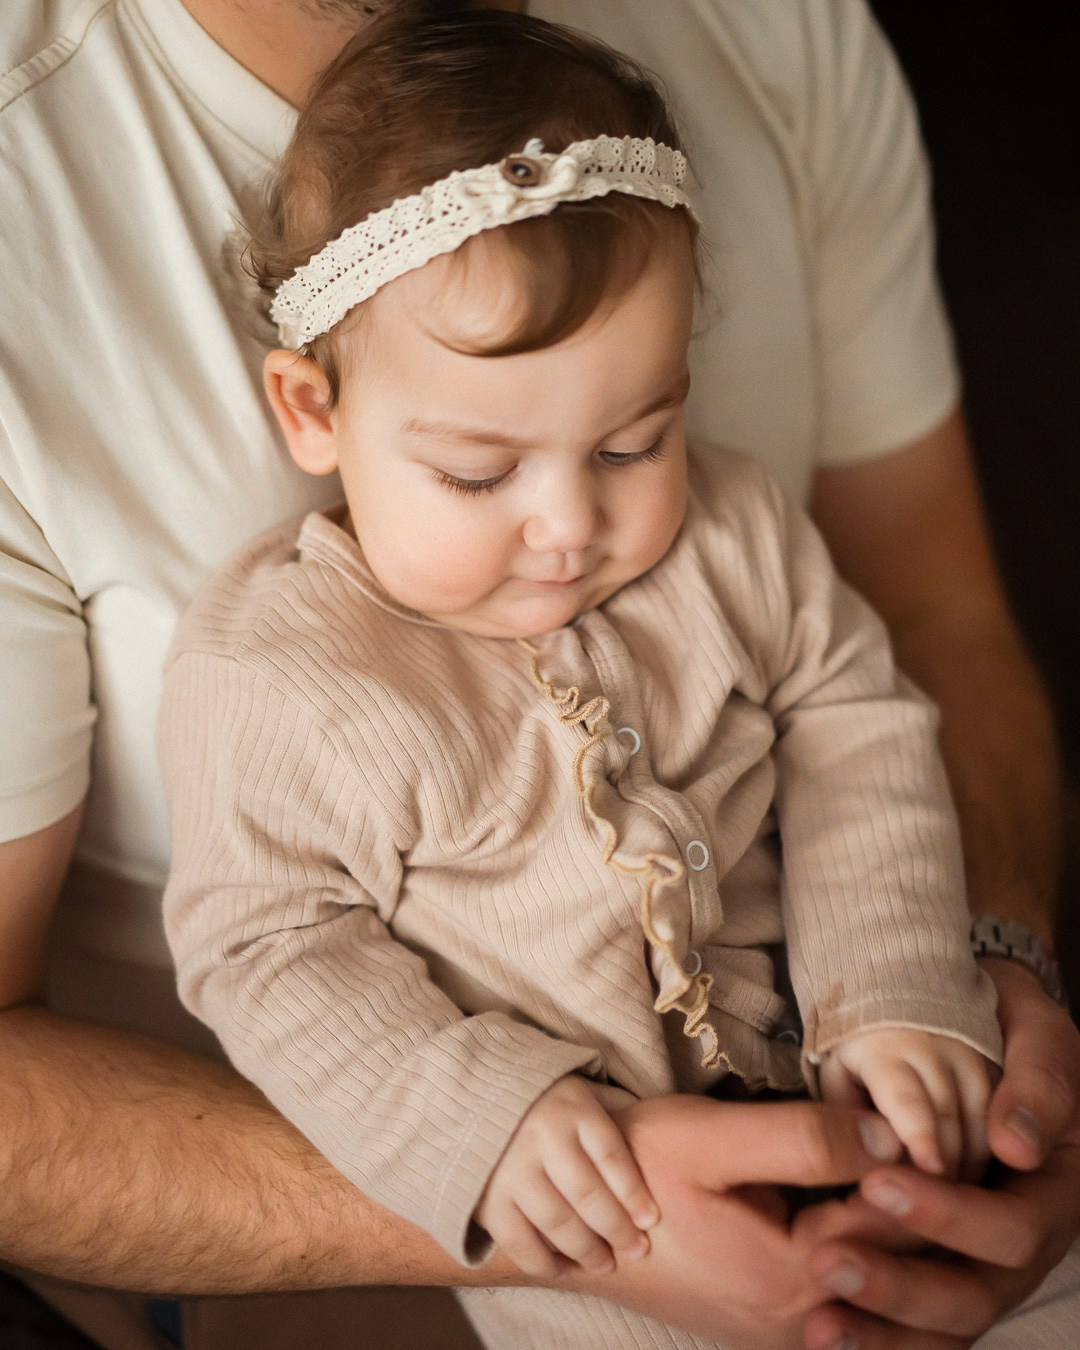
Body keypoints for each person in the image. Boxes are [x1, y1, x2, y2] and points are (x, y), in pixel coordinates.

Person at [0, 0, 1075, 1347]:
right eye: (477, 471)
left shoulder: (733, 532)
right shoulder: (279, 671)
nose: (570, 527)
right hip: (531, 1218)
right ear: (312, 411)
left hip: (850, 1129)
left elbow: (867, 709)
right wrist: (490, 1129)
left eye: (635, 441)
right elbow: (273, 940)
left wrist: (924, 982)